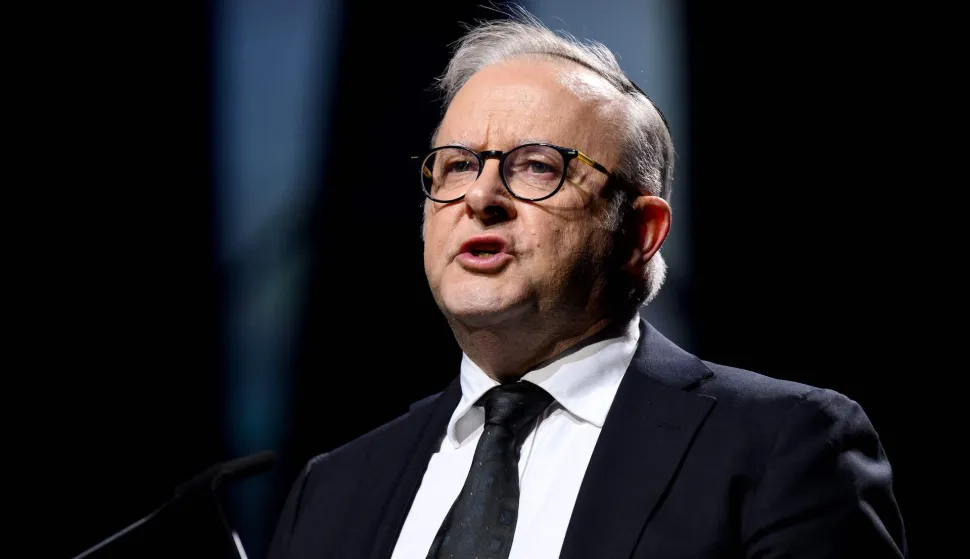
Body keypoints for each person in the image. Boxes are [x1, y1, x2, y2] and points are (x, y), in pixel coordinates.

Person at [267, 8, 906, 559]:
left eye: (537, 166)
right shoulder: (334, 487)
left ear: (641, 232)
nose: (481, 197)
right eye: (457, 166)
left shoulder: (781, 445)